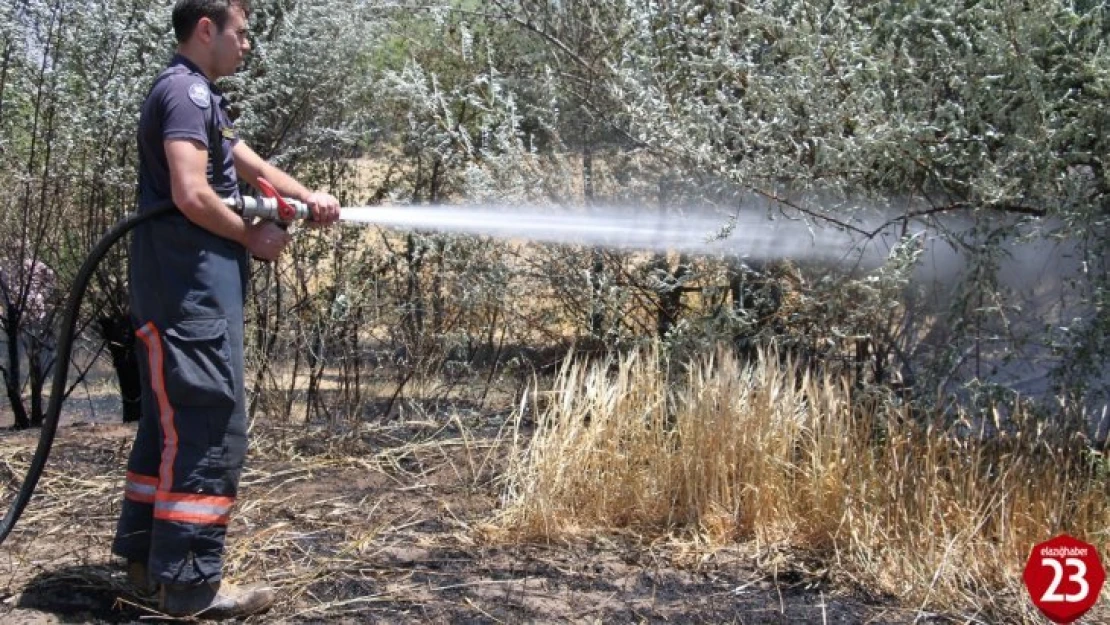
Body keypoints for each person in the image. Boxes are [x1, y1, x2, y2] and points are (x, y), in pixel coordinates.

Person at [111, 0, 340, 618]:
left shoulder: (195, 95)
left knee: (170, 425)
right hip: (190, 293)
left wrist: (308, 199)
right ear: (206, 29)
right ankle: (189, 588)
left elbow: (253, 166)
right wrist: (249, 236)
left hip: (176, 285)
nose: (247, 45)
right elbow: (190, 192)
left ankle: (143, 567)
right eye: (241, 32)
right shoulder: (186, 94)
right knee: (211, 427)